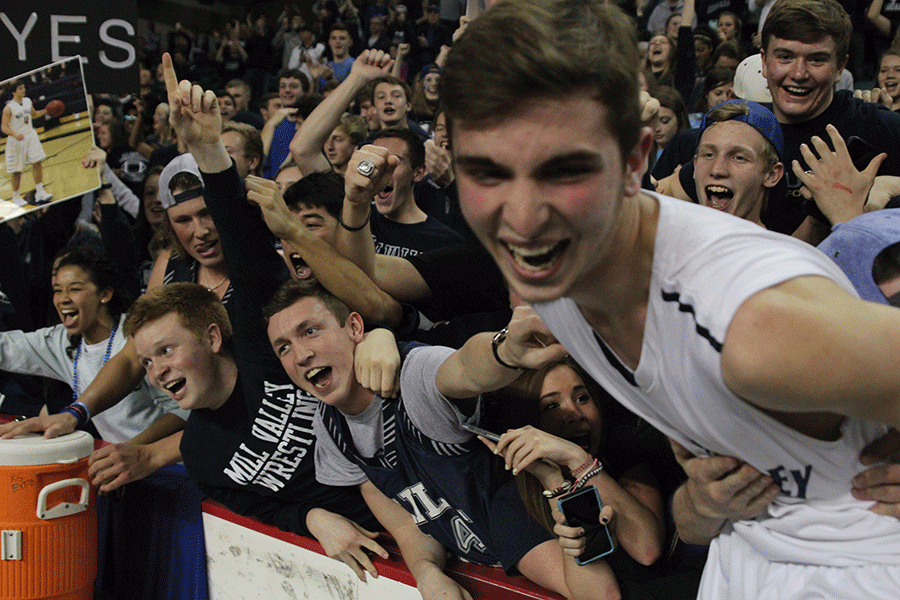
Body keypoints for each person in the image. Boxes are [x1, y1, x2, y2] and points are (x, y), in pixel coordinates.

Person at [442, 1, 900, 598]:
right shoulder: (554, 280)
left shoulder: (751, 325)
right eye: (488, 173)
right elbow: (695, 512)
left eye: (565, 173)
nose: (523, 219)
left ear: (636, 160)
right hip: (744, 556)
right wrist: (701, 503)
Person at [265, 278, 626, 599]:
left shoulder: (413, 376)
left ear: (355, 327)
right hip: (495, 554)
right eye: (283, 347)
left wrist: (505, 352)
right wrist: (427, 573)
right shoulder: (330, 427)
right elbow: (407, 520)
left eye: (310, 331)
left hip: (531, 523)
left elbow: (465, 370)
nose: (301, 354)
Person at [2, 79, 52, 206]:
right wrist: (14, 134)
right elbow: (3, 127)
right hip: (17, 139)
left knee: (37, 162)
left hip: (31, 134)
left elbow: (34, 114)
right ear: (13, 92)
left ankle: (40, 192)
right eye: (20, 88)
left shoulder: (28, 101)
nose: (23, 90)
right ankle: (16, 197)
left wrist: (47, 110)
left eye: (24, 87)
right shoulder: (8, 108)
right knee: (17, 170)